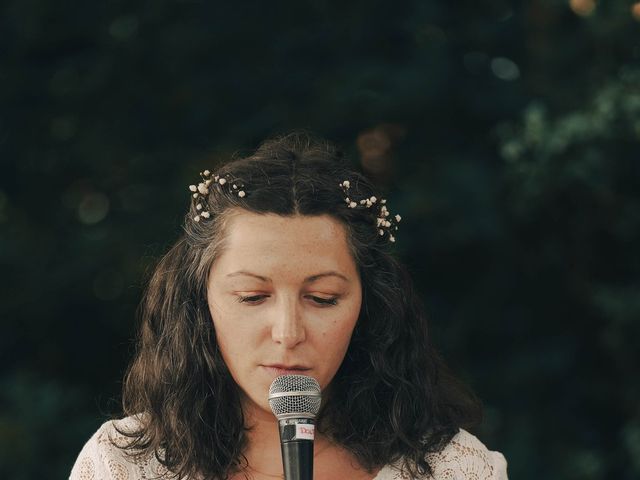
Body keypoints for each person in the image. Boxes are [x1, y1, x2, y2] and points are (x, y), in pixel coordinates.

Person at [70, 131, 508, 479]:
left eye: (322, 299)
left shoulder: (453, 470)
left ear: (370, 306)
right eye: (252, 297)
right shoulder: (125, 465)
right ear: (200, 301)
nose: (288, 332)